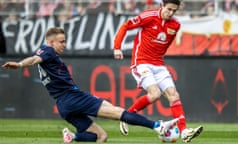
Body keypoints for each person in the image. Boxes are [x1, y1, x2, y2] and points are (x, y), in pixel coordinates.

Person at [1, 27, 179, 143]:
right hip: (73, 97)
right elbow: (34, 59)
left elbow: (36, 57)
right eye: (61, 41)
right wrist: (20, 64)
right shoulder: (47, 51)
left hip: (63, 105)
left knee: (101, 136)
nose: (64, 44)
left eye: (64, 40)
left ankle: (73, 137)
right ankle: (158, 127)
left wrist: (24, 63)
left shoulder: (44, 51)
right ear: (51, 42)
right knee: (118, 112)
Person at [113, 0, 203, 143]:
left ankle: (184, 131)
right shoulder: (148, 16)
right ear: (162, 6)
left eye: (174, 11)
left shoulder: (175, 25)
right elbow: (126, 26)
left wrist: (157, 57)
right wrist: (117, 47)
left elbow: (165, 45)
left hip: (159, 64)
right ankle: (128, 115)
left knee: (174, 95)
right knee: (154, 94)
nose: (171, 13)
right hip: (141, 62)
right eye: (169, 9)